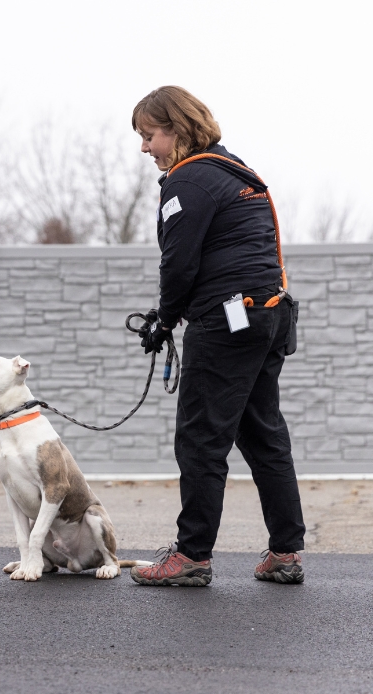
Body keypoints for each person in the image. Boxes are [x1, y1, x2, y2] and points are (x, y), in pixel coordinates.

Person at [128, 86, 306, 587]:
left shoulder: (188, 181)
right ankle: (286, 552)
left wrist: (164, 319)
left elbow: (179, 264)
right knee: (262, 433)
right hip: (266, 316)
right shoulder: (235, 170)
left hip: (227, 320)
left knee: (202, 439)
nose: (145, 148)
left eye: (150, 135)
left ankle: (191, 556)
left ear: (178, 129)